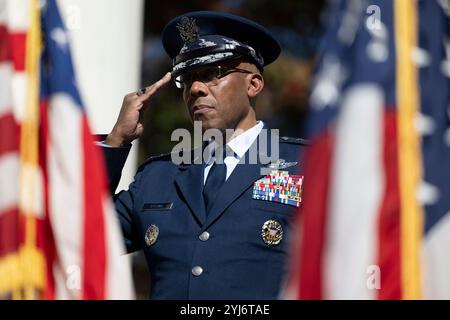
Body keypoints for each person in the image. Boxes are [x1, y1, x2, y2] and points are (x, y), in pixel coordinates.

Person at [101, 11, 309, 299]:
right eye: (187, 79)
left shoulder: (307, 166)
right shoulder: (157, 177)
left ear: (253, 84)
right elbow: (82, 236)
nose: (195, 89)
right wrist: (115, 142)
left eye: (213, 74)